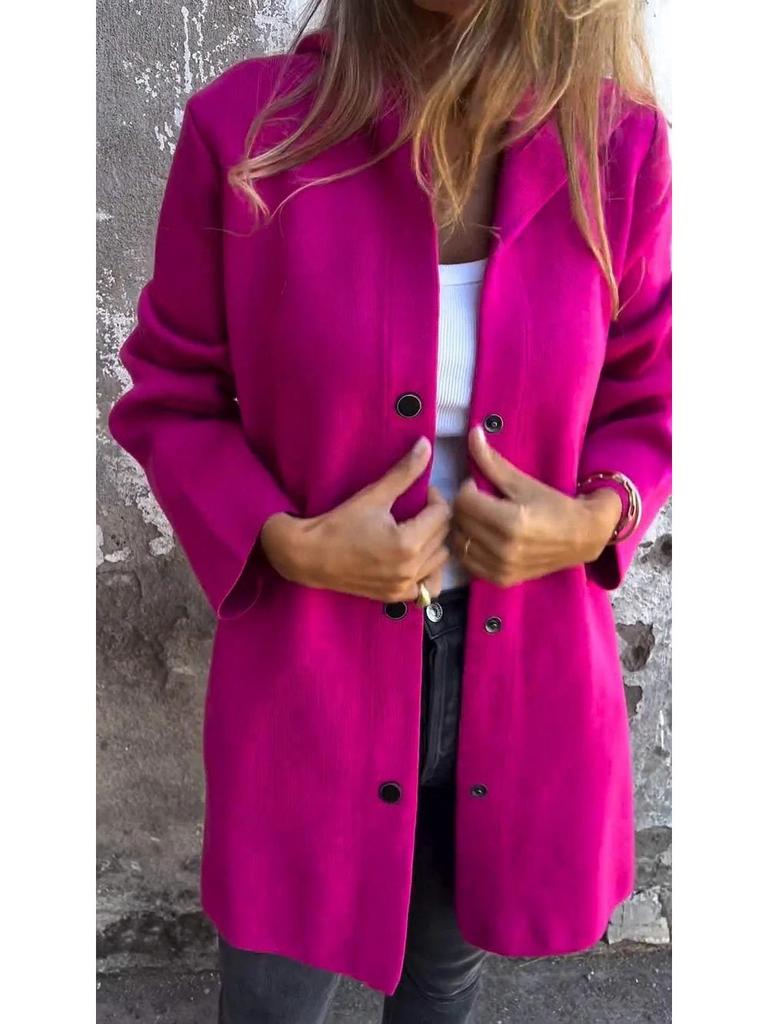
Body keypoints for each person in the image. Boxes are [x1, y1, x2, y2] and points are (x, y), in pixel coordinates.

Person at [107, 1, 672, 1020]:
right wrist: (286, 541)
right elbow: (173, 394)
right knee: (275, 994)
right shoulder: (246, 135)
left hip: (522, 679)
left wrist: (597, 520)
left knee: (444, 980)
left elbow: (648, 390)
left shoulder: (619, 151)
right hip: (308, 681)